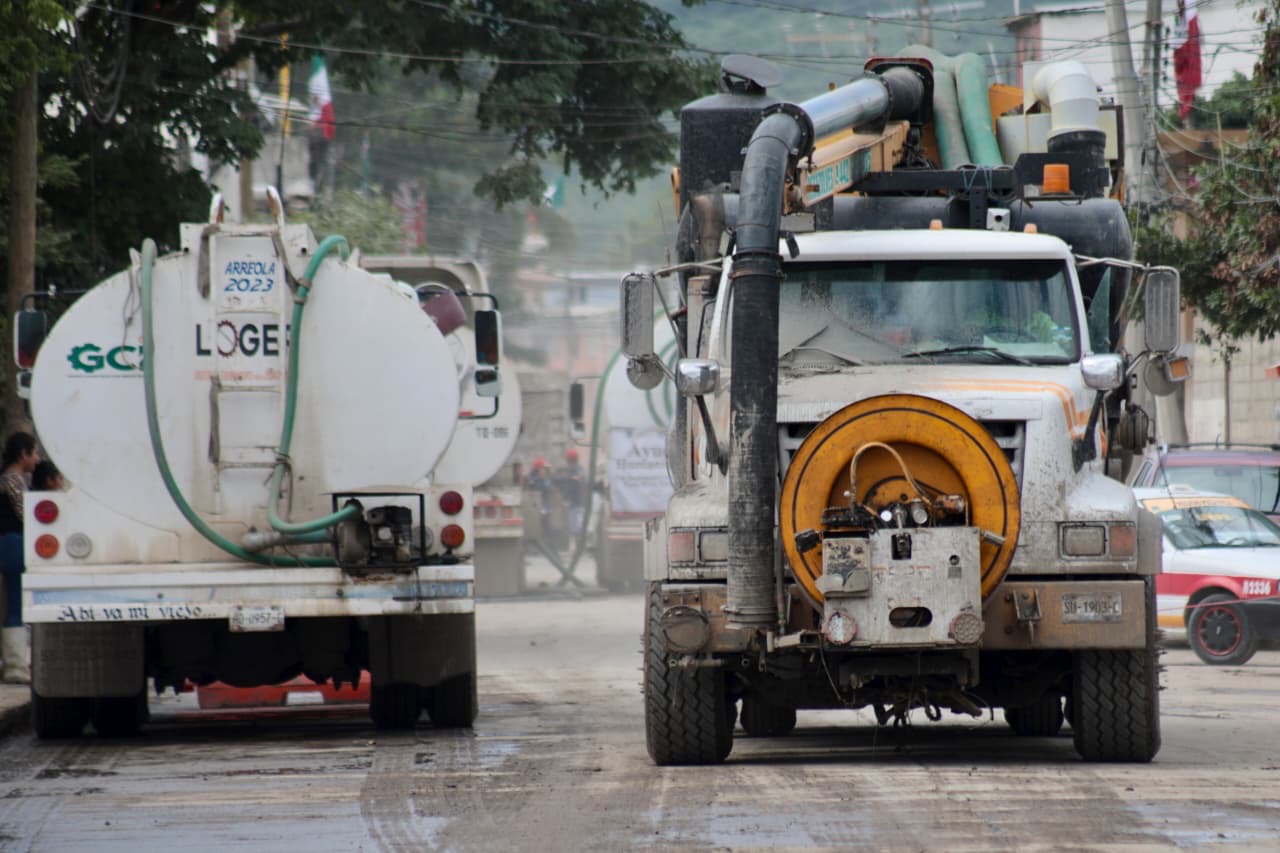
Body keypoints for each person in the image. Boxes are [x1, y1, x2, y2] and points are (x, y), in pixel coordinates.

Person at [0, 431, 38, 684]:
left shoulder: (9, 479)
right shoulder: (13, 480)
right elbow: (28, 516)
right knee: (15, 603)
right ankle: (15, 666)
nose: (36, 459)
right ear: (23, 454)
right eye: (33, 453)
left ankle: (14, 663)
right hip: (13, 543)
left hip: (9, 543)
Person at [557, 447, 587, 542]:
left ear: (569, 460)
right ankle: (580, 545)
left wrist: (564, 496)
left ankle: (578, 546)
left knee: (575, 527)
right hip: (582, 502)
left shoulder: (573, 470)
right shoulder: (581, 469)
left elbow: (571, 485)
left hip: (575, 502)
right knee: (579, 525)